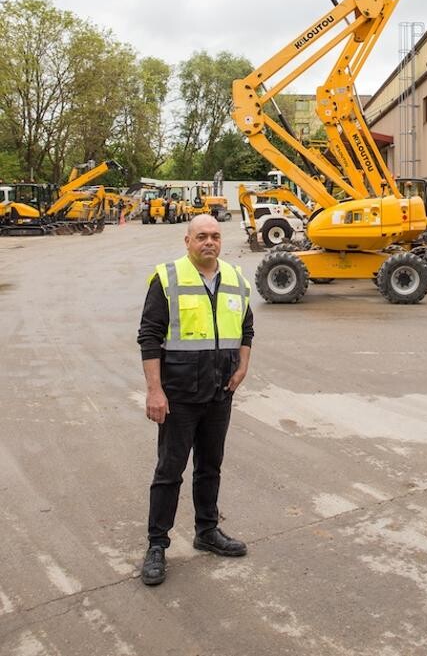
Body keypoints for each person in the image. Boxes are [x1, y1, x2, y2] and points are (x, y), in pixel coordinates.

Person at [137, 213, 253, 586]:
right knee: (169, 471)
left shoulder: (235, 279)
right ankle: (157, 545)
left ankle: (207, 531)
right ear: (187, 241)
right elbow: (150, 337)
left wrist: (242, 367)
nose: (209, 242)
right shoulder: (167, 278)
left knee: (210, 466)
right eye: (201, 236)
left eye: (215, 236)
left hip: (220, 392)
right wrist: (155, 390)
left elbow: (246, 329)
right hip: (180, 395)